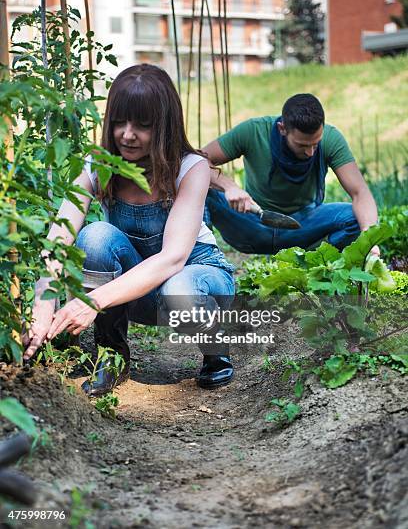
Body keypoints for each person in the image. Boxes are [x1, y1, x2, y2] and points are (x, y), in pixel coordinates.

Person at [23, 64, 235, 396]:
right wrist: (42, 302)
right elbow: (58, 239)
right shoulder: (97, 164)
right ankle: (112, 356)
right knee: (94, 236)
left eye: (142, 125)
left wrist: (90, 302)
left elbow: (172, 259)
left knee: (178, 288)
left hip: (197, 279)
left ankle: (214, 349)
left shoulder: (191, 167)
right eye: (120, 122)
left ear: (164, 126)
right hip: (136, 288)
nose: (127, 134)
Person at [203, 93, 379, 254]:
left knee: (354, 218)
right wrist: (229, 186)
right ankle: (205, 260)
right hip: (251, 224)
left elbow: (360, 193)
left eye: (315, 144)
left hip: (302, 228)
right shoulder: (253, 131)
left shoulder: (331, 139)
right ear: (282, 129)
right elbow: (197, 160)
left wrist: (369, 240)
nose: (310, 152)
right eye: (302, 145)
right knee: (200, 189)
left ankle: (314, 262)